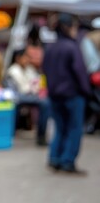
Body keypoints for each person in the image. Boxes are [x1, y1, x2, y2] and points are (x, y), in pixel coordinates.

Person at [42, 13, 91, 174]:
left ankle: (55, 158)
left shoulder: (51, 47)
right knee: (74, 129)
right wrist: (87, 92)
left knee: (60, 128)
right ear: (68, 27)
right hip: (72, 95)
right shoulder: (72, 47)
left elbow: (45, 71)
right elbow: (80, 73)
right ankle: (67, 161)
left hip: (54, 95)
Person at [6, 48, 50, 146]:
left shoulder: (29, 69)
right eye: (25, 57)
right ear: (18, 58)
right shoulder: (12, 71)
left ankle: (41, 135)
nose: (27, 60)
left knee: (46, 103)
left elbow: (36, 82)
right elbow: (18, 92)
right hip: (18, 97)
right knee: (44, 102)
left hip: (31, 95)